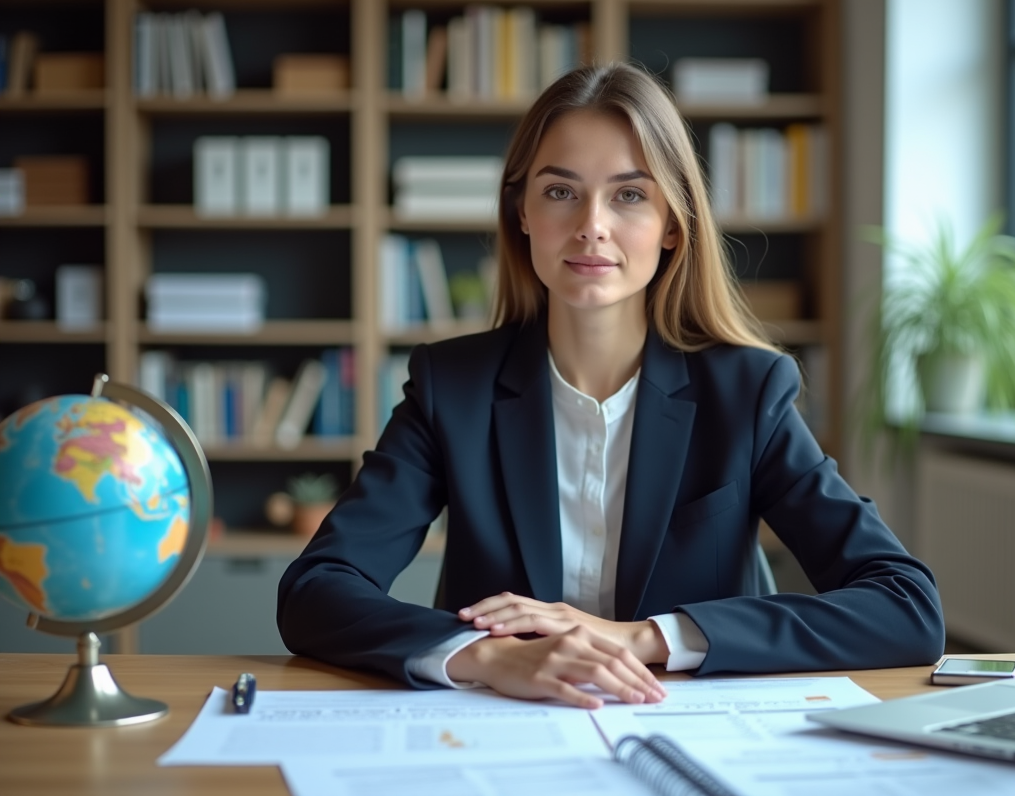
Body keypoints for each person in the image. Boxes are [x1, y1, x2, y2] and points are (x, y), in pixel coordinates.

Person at [277, 62, 944, 710]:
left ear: (673, 225)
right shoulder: (451, 388)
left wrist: (645, 637)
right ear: (522, 214)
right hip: (507, 732)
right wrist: (485, 656)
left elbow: (905, 606)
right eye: (560, 191)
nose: (591, 223)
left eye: (630, 194)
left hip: (695, 733)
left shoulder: (746, 391)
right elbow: (317, 589)